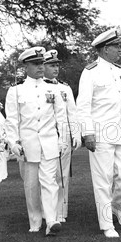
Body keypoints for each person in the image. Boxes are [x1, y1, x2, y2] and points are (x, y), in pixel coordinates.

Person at [76, 28, 121, 238]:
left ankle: (119, 206)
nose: (120, 50)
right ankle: (106, 224)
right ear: (104, 49)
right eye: (116, 46)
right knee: (103, 180)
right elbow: (83, 105)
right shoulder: (91, 71)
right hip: (101, 132)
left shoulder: (120, 72)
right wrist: (88, 133)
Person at [5, 46, 67, 236]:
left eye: (42, 63)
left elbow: (61, 117)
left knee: (50, 182)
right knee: (31, 185)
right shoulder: (16, 91)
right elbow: (12, 120)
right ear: (26, 66)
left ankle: (51, 220)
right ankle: (35, 220)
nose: (41, 67)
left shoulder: (52, 89)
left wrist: (63, 139)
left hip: (49, 143)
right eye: (36, 64)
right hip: (28, 145)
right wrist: (13, 142)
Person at [43, 49, 79, 223]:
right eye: (51, 65)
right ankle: (47, 212)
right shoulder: (39, 87)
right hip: (46, 137)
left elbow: (72, 113)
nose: (56, 68)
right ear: (42, 66)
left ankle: (61, 212)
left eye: (57, 65)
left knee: (63, 176)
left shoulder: (64, 88)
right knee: (47, 177)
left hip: (64, 137)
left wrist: (76, 134)